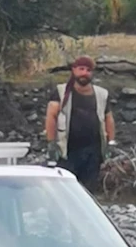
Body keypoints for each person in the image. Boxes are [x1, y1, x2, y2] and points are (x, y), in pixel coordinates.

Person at [45, 55, 116, 192]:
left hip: (93, 151)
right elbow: (51, 116)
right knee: (66, 188)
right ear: (73, 70)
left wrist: (111, 143)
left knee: (88, 189)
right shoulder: (61, 92)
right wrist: (51, 143)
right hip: (67, 150)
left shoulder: (102, 94)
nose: (84, 73)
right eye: (81, 69)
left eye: (88, 70)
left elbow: (109, 119)